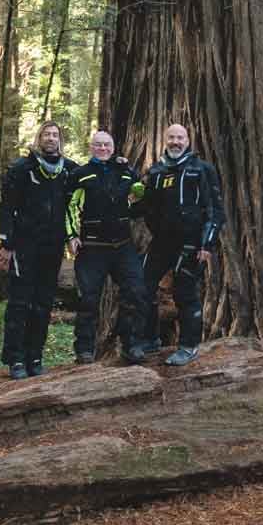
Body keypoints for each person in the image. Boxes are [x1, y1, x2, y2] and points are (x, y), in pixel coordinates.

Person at [136, 124, 225, 366]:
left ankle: (188, 346)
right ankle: (149, 339)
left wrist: (207, 244)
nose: (176, 142)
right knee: (142, 286)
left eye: (180, 138)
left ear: (188, 140)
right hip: (161, 242)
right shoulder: (156, 171)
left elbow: (215, 211)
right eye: (172, 138)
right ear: (165, 140)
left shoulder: (202, 169)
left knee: (185, 294)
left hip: (192, 244)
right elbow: (145, 206)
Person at [0, 122, 77, 380]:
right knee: (20, 303)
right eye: (47, 134)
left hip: (52, 247)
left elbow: (92, 181)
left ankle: (35, 357)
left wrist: (118, 165)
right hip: (23, 246)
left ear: (60, 140)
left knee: (43, 304)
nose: (51, 139)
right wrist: (6, 243)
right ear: (39, 138)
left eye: (56, 135)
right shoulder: (23, 168)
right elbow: (6, 207)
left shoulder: (68, 171)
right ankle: (16, 359)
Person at [65, 131, 149, 364]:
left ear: (113, 147)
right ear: (91, 147)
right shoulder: (80, 175)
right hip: (92, 246)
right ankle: (84, 350)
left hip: (123, 245)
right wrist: (71, 236)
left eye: (107, 145)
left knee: (136, 291)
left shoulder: (125, 172)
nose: (103, 148)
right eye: (98, 144)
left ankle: (132, 345)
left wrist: (139, 196)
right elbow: (70, 206)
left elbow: (139, 199)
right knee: (88, 299)